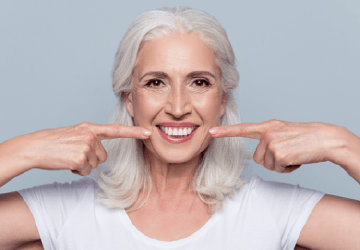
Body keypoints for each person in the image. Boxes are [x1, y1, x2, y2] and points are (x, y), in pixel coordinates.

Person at [1, 6, 360, 250]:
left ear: (222, 100)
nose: (177, 107)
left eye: (199, 82)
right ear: (129, 99)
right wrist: (22, 151)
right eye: (155, 83)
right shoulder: (66, 211)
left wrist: (342, 145)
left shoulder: (271, 209)